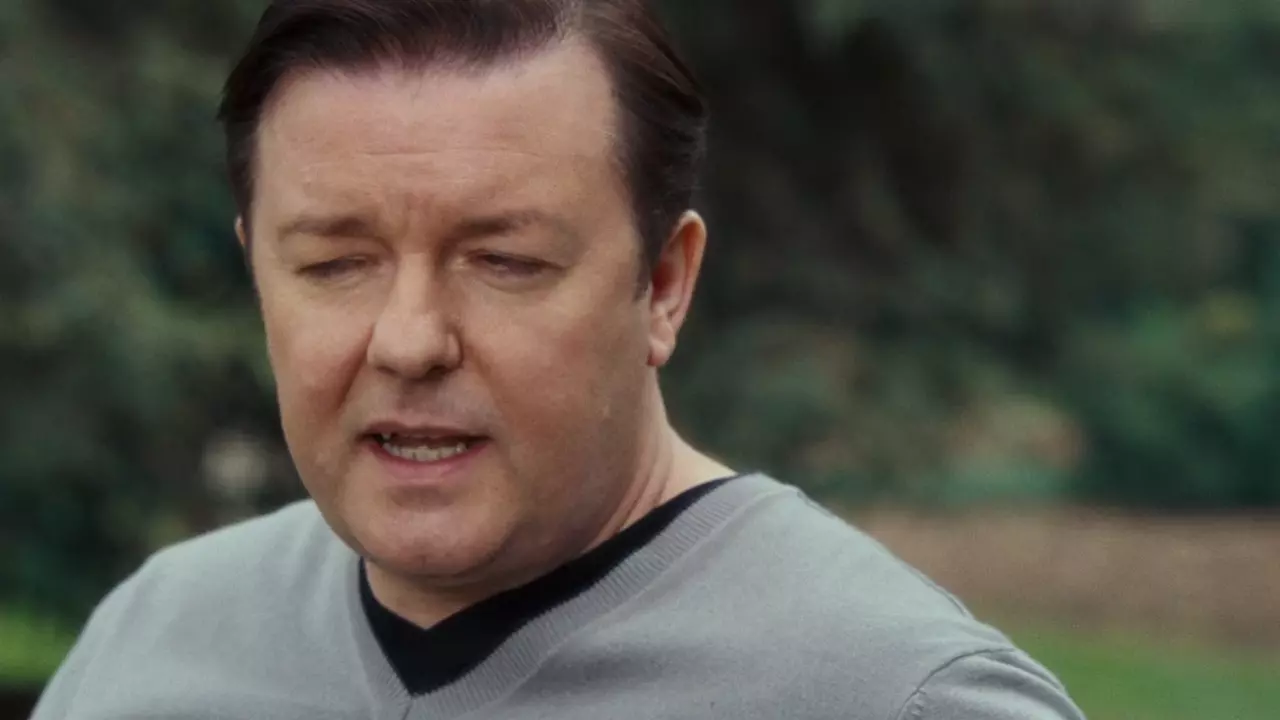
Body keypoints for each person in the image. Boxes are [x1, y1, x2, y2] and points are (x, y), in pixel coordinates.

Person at [33, 1, 1086, 718]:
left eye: (505, 262)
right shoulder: (152, 643)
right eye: (336, 264)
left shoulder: (897, 696)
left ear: (663, 285)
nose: (410, 340)